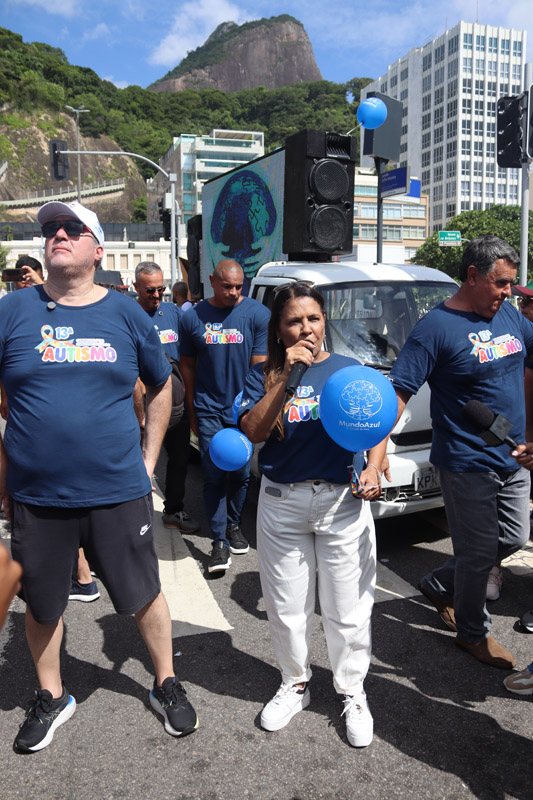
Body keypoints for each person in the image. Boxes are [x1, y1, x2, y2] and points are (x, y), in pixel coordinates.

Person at [1, 200, 198, 753]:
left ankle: (165, 681)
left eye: (71, 228)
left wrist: (148, 456)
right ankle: (51, 695)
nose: (57, 234)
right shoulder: (11, 311)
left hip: (117, 489)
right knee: (41, 603)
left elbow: (162, 387)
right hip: (36, 496)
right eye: (50, 230)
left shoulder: (126, 313)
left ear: (96, 249)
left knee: (144, 593)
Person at [239, 282, 388, 748]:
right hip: (282, 504)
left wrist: (375, 465)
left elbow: (377, 421)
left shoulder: (350, 369)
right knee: (286, 608)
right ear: (279, 330)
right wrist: (288, 377)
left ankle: (352, 691)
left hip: (343, 504)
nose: (306, 328)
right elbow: (254, 430)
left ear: (326, 321)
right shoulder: (264, 374)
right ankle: (295, 683)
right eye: (294, 321)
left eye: (314, 318)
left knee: (349, 609)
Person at [389, 235, 533, 669]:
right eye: (501, 283)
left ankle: (439, 581)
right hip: (467, 462)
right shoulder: (434, 328)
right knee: (476, 551)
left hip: (514, 454)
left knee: (514, 536)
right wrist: (369, 453)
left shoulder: (506, 314)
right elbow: (398, 393)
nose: (509, 292)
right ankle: (473, 633)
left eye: (510, 284)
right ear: (472, 275)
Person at [179, 259, 270, 573]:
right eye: (227, 286)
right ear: (212, 281)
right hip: (208, 409)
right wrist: (192, 408)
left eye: (238, 286)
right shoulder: (192, 318)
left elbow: (260, 367)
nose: (234, 292)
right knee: (215, 474)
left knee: (242, 473)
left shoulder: (257, 315)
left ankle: (234, 525)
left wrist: (250, 411)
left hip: (244, 411)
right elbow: (187, 366)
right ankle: (218, 541)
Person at [133, 262, 199, 534]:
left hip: (175, 406)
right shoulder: (126, 314)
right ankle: (132, 518)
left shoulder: (173, 313)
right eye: (150, 290)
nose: (157, 294)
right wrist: (139, 414)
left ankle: (173, 509)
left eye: (161, 288)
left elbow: (193, 349)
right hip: (137, 408)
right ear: (136, 286)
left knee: (179, 460)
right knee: (135, 464)